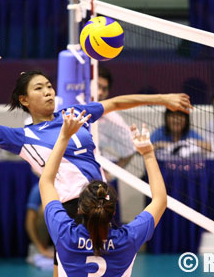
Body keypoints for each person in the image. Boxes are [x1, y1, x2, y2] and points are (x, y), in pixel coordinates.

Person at [0, 38, 191, 274]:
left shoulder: (74, 114)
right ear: (24, 100)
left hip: (101, 202)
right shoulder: (21, 137)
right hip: (69, 209)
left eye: (49, 85)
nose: (48, 91)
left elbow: (116, 103)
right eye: (39, 88)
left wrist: (163, 98)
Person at [39, 110, 166, 276]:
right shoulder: (128, 239)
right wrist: (148, 154)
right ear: (113, 211)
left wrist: (64, 136)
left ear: (79, 210)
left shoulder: (65, 234)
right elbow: (160, 200)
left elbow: (46, 182)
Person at [97, 66, 135, 178]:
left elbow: (130, 151)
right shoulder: (71, 105)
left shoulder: (113, 119)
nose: (100, 92)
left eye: (104, 89)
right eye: (97, 86)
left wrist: (110, 175)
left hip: (98, 177)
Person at [26, 183, 54, 264]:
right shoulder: (38, 189)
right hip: (45, 243)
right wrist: (41, 249)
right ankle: (42, 248)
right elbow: (29, 222)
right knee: (44, 210)